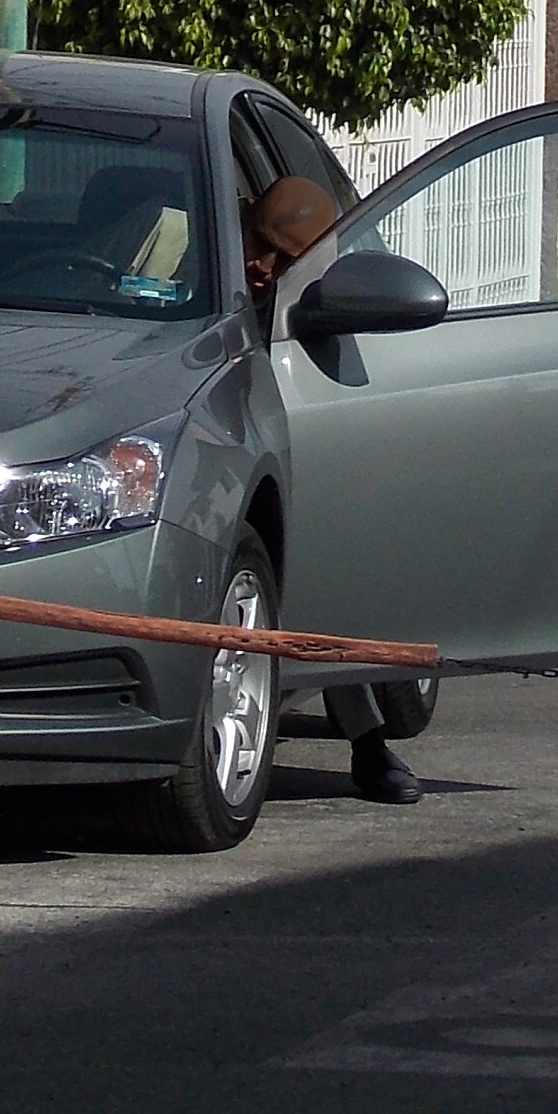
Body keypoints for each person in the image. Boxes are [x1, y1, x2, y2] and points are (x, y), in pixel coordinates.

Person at [237, 175, 425, 808]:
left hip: (294, 456)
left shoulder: (321, 304)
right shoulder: (202, 258)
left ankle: (368, 743)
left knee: (326, 587)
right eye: (260, 246)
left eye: (282, 259)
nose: (263, 267)